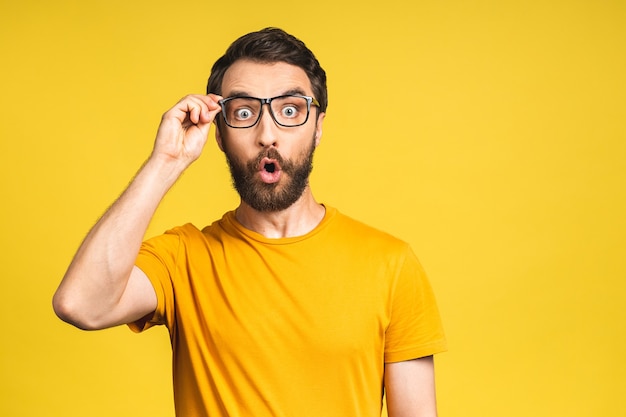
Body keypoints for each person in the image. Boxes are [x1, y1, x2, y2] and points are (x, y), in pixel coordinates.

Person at [53, 27, 447, 417]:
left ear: (319, 126)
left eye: (290, 111)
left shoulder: (390, 264)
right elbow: (81, 304)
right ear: (220, 134)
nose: (267, 134)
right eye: (244, 113)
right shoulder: (183, 260)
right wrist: (165, 163)